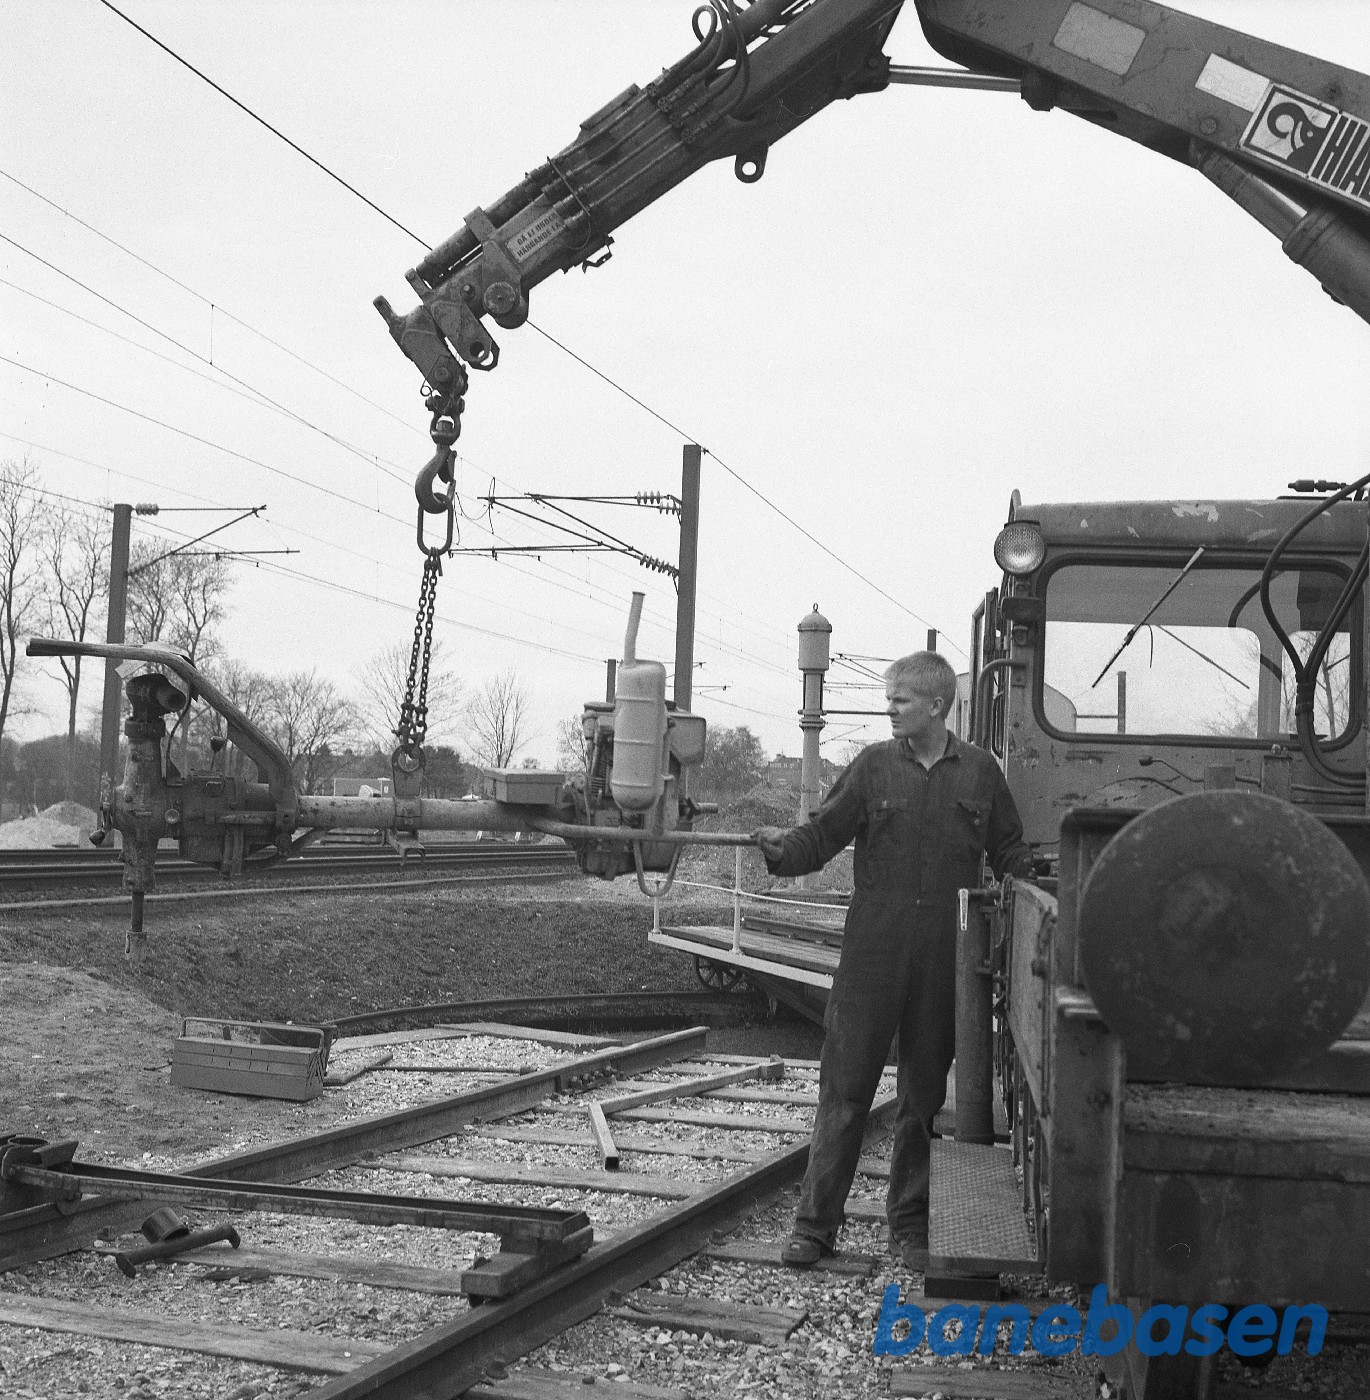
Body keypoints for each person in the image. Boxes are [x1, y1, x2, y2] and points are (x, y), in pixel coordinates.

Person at [753, 650, 1032, 1271]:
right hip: (871, 956)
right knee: (844, 1094)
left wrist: (1039, 900)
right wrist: (780, 852)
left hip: (945, 962)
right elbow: (821, 836)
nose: (889, 708)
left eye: (901, 700)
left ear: (937, 706)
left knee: (920, 1105)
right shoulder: (873, 768)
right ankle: (814, 1227)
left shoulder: (981, 773)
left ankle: (908, 1231)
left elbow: (1010, 851)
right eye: (890, 698)